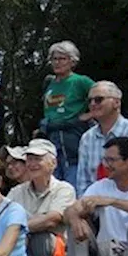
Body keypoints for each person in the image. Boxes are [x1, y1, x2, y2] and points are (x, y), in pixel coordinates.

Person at [76, 81, 128, 195]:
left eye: (99, 99)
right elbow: (82, 182)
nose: (93, 104)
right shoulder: (87, 138)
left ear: (116, 103)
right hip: (94, 205)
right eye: (90, 101)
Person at [6, 138, 76, 256]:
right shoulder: (16, 192)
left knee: (41, 239)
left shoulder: (64, 189)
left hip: (52, 249)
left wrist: (18, 228)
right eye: (29, 159)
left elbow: (51, 220)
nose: (32, 164)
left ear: (53, 163)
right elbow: (2, 219)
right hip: (22, 244)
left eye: (38, 159)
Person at [40, 41, 95, 188]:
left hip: (72, 135)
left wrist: (89, 115)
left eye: (62, 58)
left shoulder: (80, 81)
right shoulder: (50, 83)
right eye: (54, 59)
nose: (57, 62)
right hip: (51, 136)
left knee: (72, 181)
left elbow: (103, 95)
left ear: (72, 61)